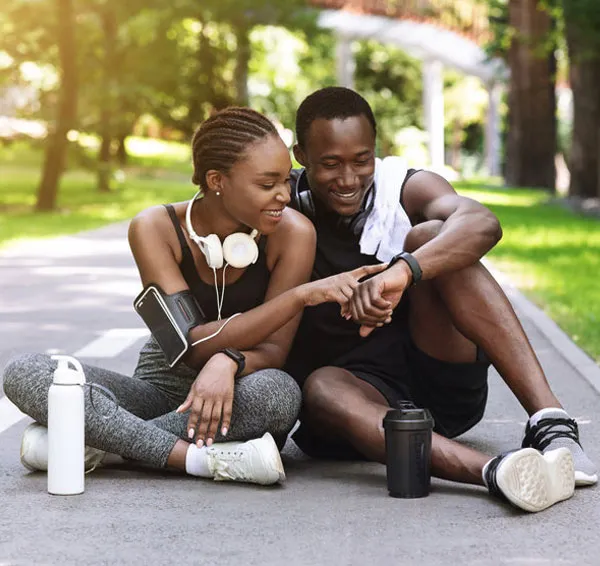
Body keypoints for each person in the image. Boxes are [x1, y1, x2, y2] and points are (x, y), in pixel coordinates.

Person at [2, 106, 384, 486]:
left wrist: (230, 362)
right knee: (27, 372)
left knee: (279, 394)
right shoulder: (154, 228)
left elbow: (273, 354)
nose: (285, 195)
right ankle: (196, 459)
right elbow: (191, 348)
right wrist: (299, 297)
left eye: (286, 180)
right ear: (217, 180)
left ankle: (98, 443)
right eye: (268, 185)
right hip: (162, 387)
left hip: (240, 389)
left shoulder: (293, 233)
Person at [283, 86, 597, 512]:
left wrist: (403, 272)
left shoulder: (404, 187)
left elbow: (482, 222)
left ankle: (553, 425)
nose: (348, 178)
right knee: (320, 387)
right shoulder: (279, 205)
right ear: (301, 154)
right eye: (330, 164)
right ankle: (500, 471)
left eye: (362, 160)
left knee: (432, 235)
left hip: (439, 377)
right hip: (356, 400)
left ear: (377, 150)